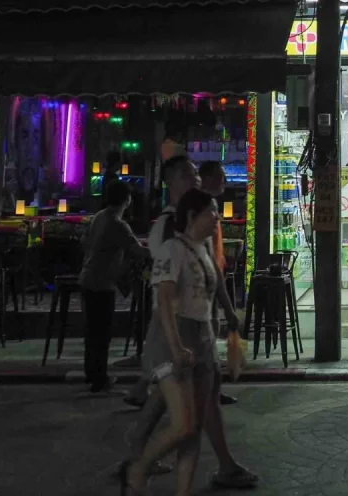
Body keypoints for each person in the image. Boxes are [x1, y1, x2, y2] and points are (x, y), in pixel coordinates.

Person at [122, 188, 256, 495]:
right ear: (193, 215)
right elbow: (164, 301)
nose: (217, 218)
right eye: (212, 211)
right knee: (183, 424)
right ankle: (139, 467)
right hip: (174, 343)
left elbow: (212, 290)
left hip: (202, 340)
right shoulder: (172, 249)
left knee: (193, 430)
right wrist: (177, 346)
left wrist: (226, 315)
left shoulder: (203, 250)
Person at [124, 155, 200, 478]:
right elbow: (169, 282)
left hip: (182, 320)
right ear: (173, 181)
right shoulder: (171, 224)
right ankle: (139, 463)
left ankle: (139, 454)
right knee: (172, 398)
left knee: (165, 395)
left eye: (195, 173)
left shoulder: (182, 219)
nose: (196, 179)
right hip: (172, 321)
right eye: (189, 174)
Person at [79, 180, 146, 393]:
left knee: (92, 331)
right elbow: (137, 250)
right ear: (127, 199)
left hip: (87, 277)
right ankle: (100, 378)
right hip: (102, 283)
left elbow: (84, 241)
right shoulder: (118, 224)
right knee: (102, 332)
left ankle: (92, 373)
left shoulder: (99, 216)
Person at [198, 160, 237, 406]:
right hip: (206, 287)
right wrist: (228, 307)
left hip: (210, 284)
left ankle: (210, 390)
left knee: (207, 344)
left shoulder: (207, 205)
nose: (225, 182)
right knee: (205, 343)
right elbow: (211, 259)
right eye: (221, 177)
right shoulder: (204, 207)